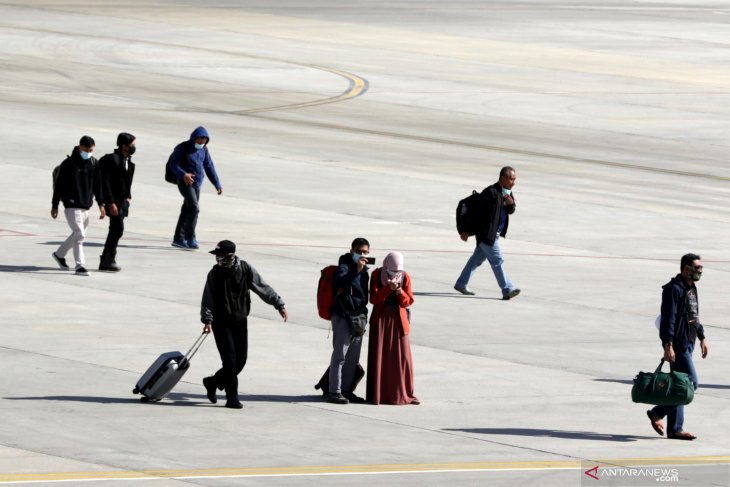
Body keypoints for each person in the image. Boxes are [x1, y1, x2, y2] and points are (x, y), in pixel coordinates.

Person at [200, 240, 288, 409]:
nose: (218, 259)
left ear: (231, 256)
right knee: (230, 362)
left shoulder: (245, 269)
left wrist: (279, 304)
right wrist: (207, 320)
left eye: (221, 255)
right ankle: (232, 399)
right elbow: (208, 299)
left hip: (240, 322)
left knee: (240, 361)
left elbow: (262, 287)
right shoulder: (214, 274)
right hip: (221, 323)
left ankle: (212, 382)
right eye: (217, 256)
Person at [646, 253, 709, 440]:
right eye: (696, 268)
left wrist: (702, 337)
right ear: (685, 269)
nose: (699, 271)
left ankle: (674, 429)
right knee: (691, 384)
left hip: (688, 342)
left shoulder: (691, 288)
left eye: (700, 268)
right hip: (678, 345)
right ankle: (657, 413)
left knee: (678, 386)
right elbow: (668, 320)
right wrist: (668, 345)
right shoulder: (673, 289)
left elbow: (694, 315)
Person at [454, 166, 521, 300]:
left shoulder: (507, 192)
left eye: (515, 179)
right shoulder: (490, 193)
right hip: (487, 235)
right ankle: (507, 289)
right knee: (497, 260)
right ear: (502, 178)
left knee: (476, 260)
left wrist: (510, 204)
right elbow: (477, 214)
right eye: (511, 179)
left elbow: (510, 210)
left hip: (494, 234)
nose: (514, 182)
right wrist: (466, 230)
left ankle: (461, 283)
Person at [367, 252, 419, 405]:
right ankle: (381, 394)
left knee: (403, 359)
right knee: (380, 358)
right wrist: (387, 289)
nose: (396, 273)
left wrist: (399, 291)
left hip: (398, 321)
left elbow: (409, 301)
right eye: (392, 270)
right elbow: (374, 299)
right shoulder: (377, 274)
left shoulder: (405, 276)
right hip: (381, 321)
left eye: (398, 271)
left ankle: (403, 393)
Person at [51, 135, 105, 276]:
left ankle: (59, 254)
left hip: (86, 205)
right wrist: (55, 205)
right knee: (80, 235)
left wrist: (101, 204)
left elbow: (98, 185)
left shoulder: (94, 163)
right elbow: (59, 186)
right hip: (71, 204)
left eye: (91, 150)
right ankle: (80, 266)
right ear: (79, 147)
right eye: (86, 149)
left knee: (77, 234)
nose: (88, 152)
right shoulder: (68, 163)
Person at [327, 237, 371, 405]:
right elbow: (340, 282)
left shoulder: (364, 269)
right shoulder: (344, 265)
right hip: (343, 315)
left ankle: (346, 389)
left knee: (353, 357)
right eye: (359, 251)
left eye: (366, 252)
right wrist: (356, 271)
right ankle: (334, 391)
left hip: (358, 317)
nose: (362, 255)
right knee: (340, 356)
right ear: (352, 250)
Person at [169, 126, 223, 249]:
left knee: (187, 210)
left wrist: (217, 184)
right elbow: (173, 164)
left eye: (204, 142)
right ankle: (190, 237)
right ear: (194, 138)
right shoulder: (182, 147)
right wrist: (183, 174)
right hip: (185, 183)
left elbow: (209, 166)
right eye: (199, 141)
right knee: (194, 208)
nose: (201, 144)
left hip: (197, 184)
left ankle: (178, 238)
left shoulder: (204, 150)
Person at [98, 132, 136, 272]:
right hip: (113, 201)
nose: (133, 147)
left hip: (122, 201)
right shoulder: (112, 159)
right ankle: (108, 259)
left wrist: (128, 196)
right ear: (124, 146)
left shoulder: (129, 163)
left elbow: (127, 183)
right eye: (132, 145)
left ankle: (107, 260)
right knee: (117, 228)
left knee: (116, 229)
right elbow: (105, 181)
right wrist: (110, 202)